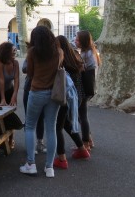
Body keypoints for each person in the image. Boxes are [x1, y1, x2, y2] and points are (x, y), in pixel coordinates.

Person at [20, 26, 63, 178]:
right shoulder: (59, 52)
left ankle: (31, 164)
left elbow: (29, 72)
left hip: (37, 91)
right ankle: (49, 167)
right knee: (51, 128)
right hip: (54, 94)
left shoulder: (33, 52)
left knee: (30, 126)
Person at [53, 35, 91, 169]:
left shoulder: (62, 61)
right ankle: (82, 149)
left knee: (57, 126)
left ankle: (62, 159)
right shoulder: (76, 57)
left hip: (64, 98)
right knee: (67, 124)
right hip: (77, 97)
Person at [75, 30, 100, 151]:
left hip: (83, 89)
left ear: (83, 41)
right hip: (88, 88)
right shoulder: (91, 52)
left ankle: (85, 143)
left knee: (82, 116)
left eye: (78, 39)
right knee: (81, 115)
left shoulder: (86, 55)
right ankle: (88, 139)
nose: (75, 41)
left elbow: (81, 70)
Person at [0, 42, 20, 149]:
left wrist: (14, 95)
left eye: (15, 50)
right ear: (6, 52)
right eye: (13, 50)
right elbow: (1, 80)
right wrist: (3, 98)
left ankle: (11, 139)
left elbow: (17, 79)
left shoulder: (15, 63)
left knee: (10, 116)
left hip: (10, 90)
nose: (14, 52)